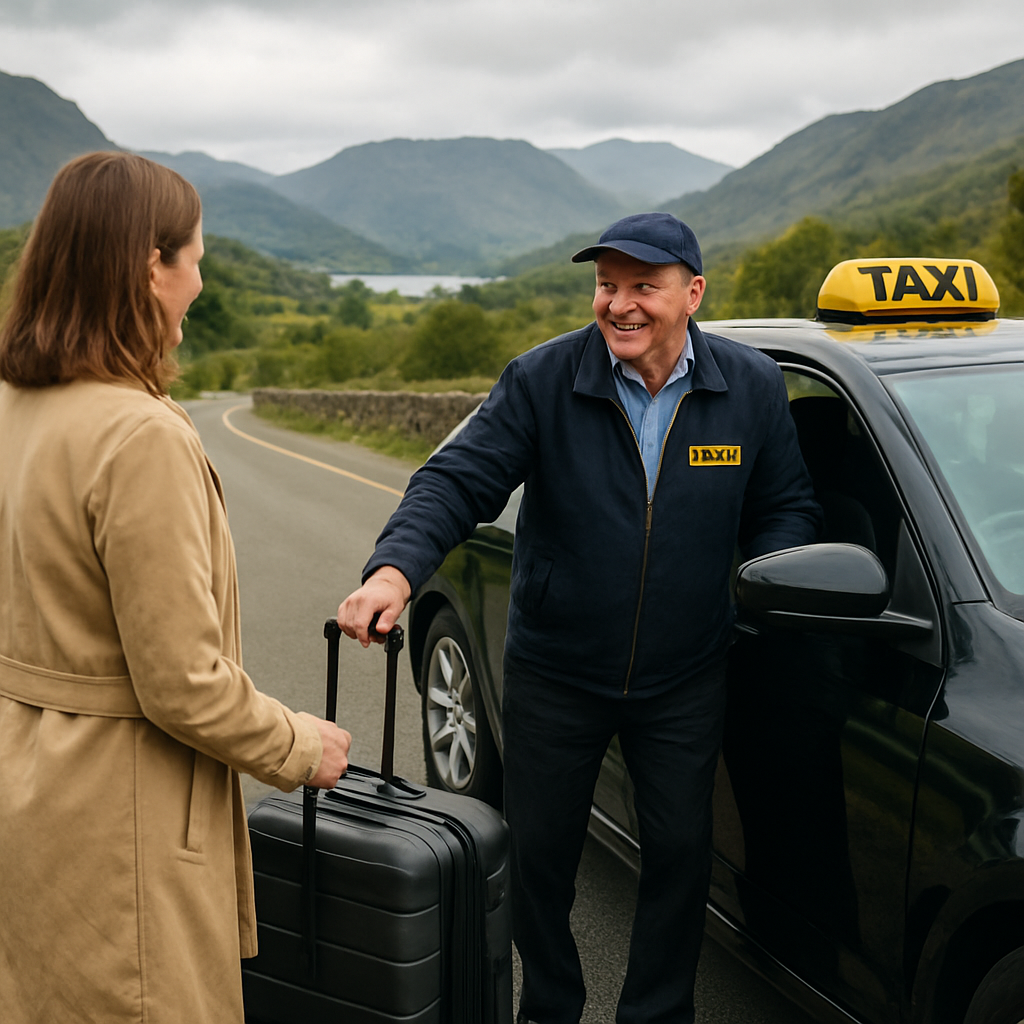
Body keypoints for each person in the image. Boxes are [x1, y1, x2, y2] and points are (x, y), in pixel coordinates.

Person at [338, 212, 821, 1024]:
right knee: (538, 858)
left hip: (685, 672)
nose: (619, 305)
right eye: (606, 284)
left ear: (692, 294)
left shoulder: (751, 386)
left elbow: (786, 507)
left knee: (677, 854)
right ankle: (552, 1004)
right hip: (557, 670)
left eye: (643, 286)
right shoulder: (542, 380)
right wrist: (395, 570)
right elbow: (456, 482)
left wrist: (767, 583)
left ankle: (656, 1014)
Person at [0, 151, 352, 1024]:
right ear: (149, 267)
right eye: (194, 257)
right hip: (122, 826)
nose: (199, 281)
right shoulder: (139, 436)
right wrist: (302, 746)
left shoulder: (14, 404)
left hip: (28, 800)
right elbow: (182, 684)